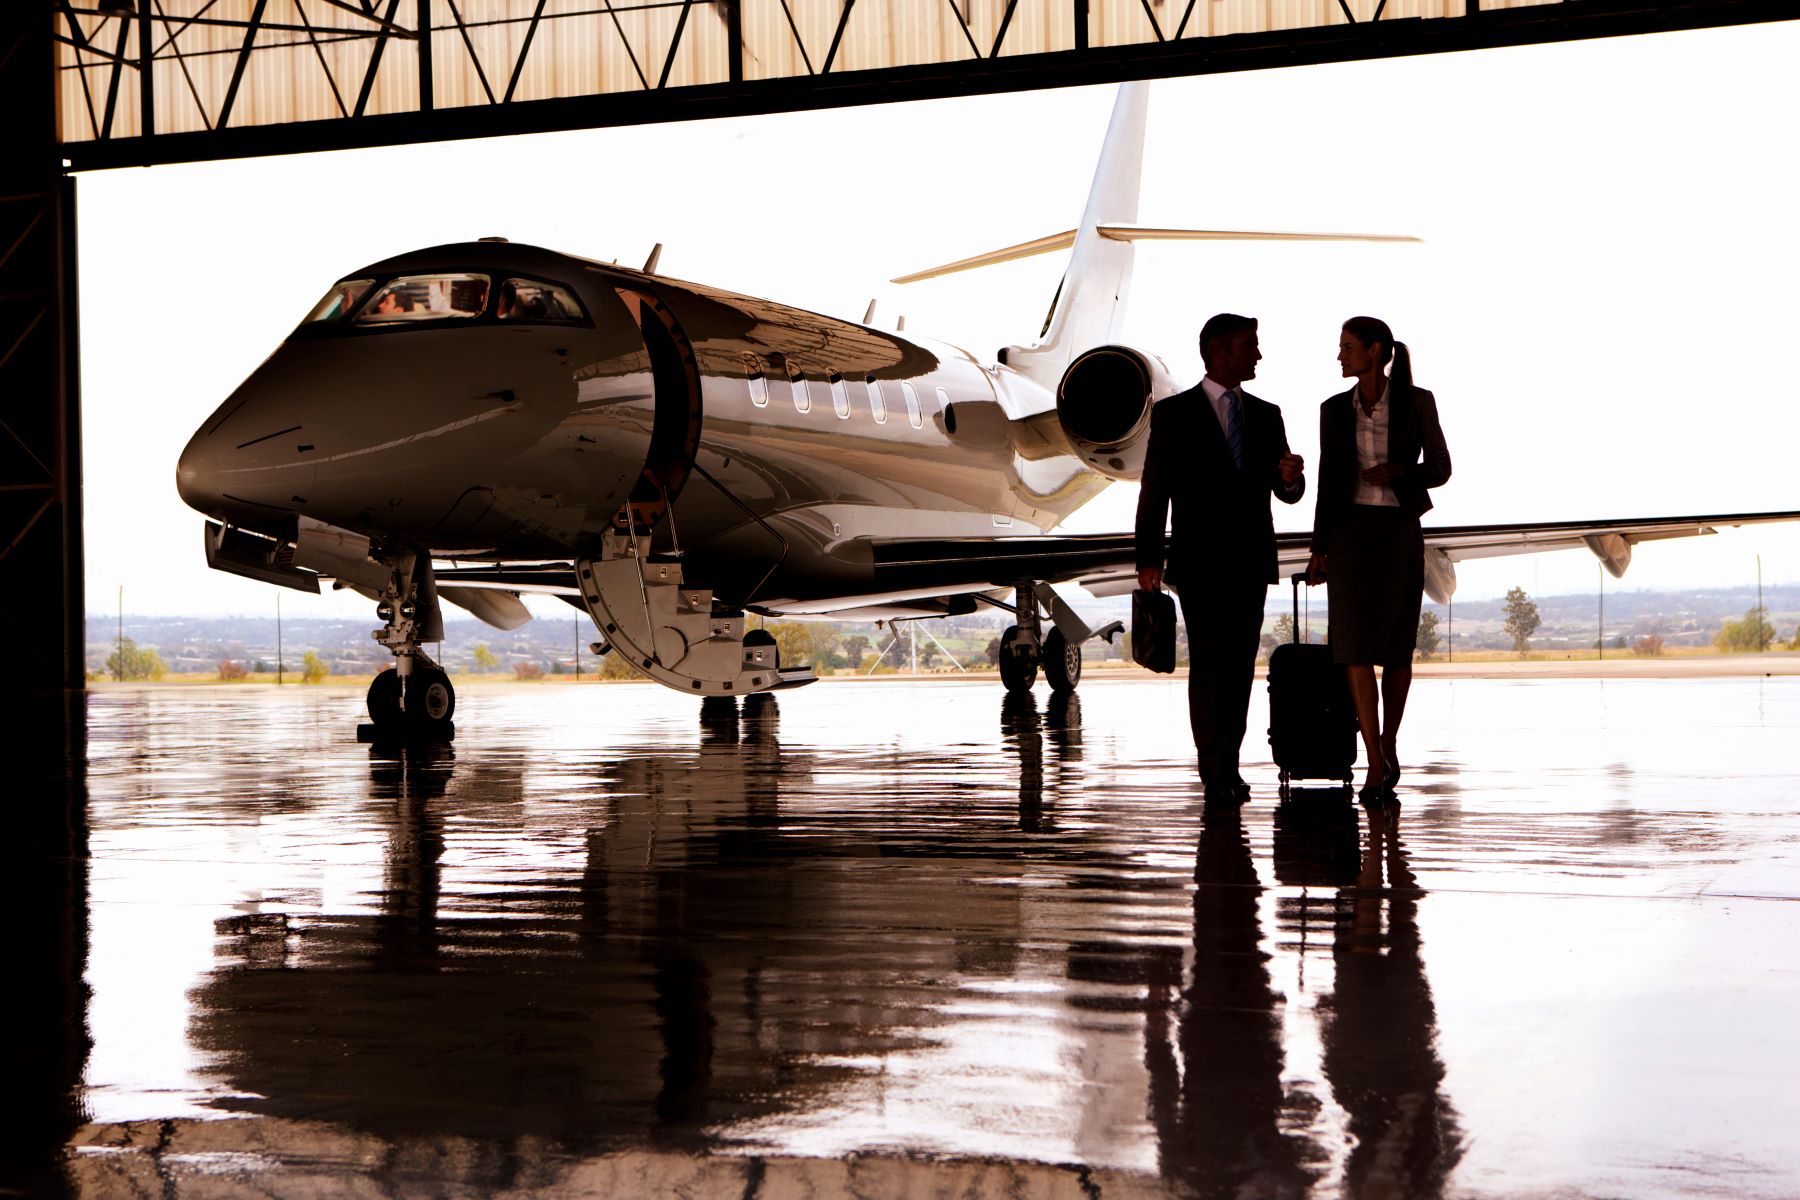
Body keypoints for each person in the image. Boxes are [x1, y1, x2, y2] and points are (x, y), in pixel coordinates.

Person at [1137, 313, 1306, 803]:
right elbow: (1155, 491)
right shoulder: (1174, 415)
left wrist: (1292, 477)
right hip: (1199, 564)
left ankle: (1228, 763)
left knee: (1238, 669)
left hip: (1251, 562)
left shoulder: (1267, 414)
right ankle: (1214, 771)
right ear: (1219, 351)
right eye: (1249, 345)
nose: (1257, 354)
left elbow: (1286, 492)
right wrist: (1147, 558)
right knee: (1209, 667)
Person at [1304, 317, 1451, 800]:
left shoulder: (1415, 401)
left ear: (1375, 351)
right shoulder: (1332, 410)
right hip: (1348, 536)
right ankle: (1372, 758)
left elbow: (1442, 468)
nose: (1340, 356)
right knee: (1354, 648)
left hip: (1398, 531)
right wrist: (1318, 549)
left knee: (1396, 647)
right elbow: (1327, 483)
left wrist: (1401, 471)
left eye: (1347, 347)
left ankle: (1389, 741)